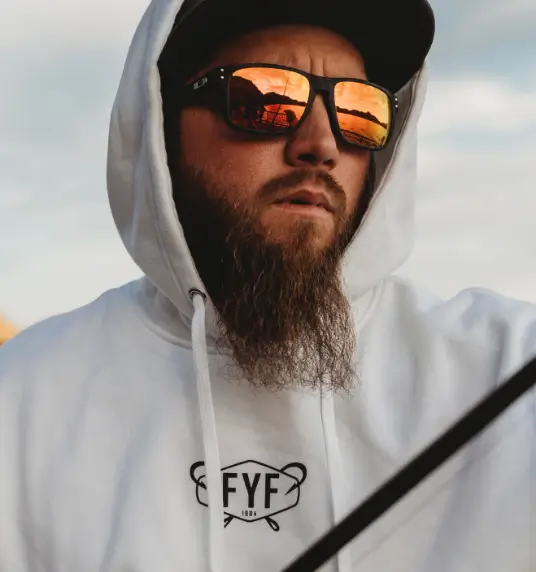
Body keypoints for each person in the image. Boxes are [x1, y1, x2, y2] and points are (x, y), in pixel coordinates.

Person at [0, 0, 534, 570]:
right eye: (264, 99)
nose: (322, 144)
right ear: (161, 125)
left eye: (359, 111)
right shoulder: (24, 401)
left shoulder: (508, 373)